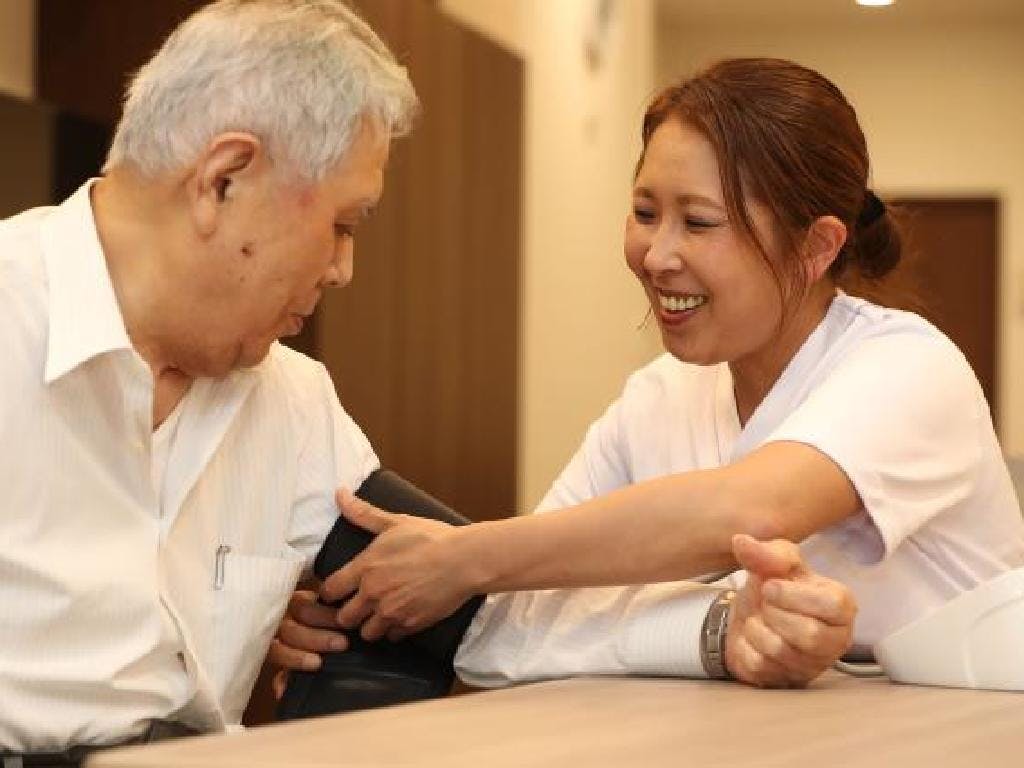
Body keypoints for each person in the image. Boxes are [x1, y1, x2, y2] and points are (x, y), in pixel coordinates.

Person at [299, 58, 1024, 686]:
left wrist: (465, 556)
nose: (656, 254)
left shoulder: (908, 368)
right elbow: (501, 633)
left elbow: (748, 511)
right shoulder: (658, 398)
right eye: (645, 212)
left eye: (699, 223)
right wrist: (715, 632)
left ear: (817, 245)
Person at [0, 0, 417, 761]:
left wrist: (703, 628)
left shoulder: (294, 404)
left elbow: (461, 591)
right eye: (343, 226)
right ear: (224, 180)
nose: (343, 269)